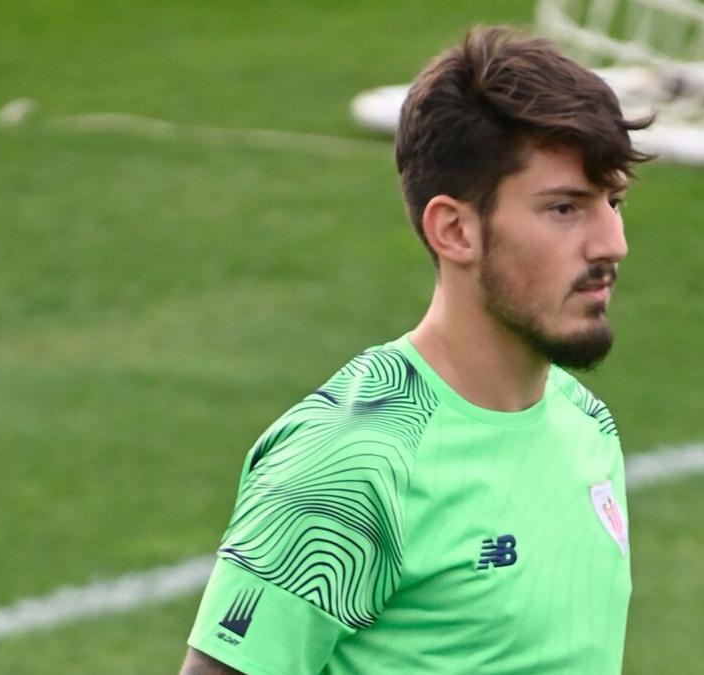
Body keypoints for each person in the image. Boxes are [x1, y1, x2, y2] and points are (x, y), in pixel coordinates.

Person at [180, 25, 653, 674]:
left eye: (614, 201)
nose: (611, 244)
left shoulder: (585, 423)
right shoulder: (351, 466)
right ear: (455, 230)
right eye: (565, 209)